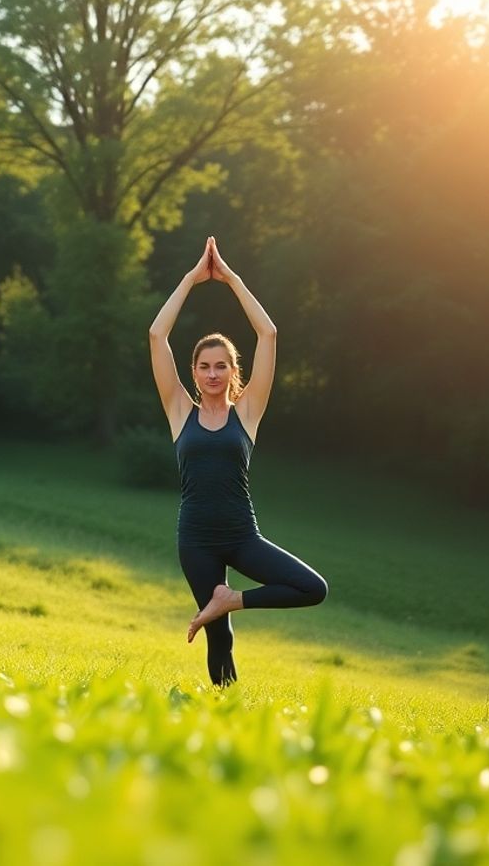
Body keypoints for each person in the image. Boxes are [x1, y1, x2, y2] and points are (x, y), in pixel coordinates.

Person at [148, 236, 328, 686]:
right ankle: (224, 710)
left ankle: (232, 599)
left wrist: (231, 279)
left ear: (234, 371)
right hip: (196, 540)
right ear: (193, 372)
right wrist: (191, 279)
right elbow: (156, 334)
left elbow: (268, 333)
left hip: (241, 535)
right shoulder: (179, 412)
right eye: (205, 366)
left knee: (312, 588)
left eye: (221, 366)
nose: (212, 374)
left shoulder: (247, 413)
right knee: (219, 639)